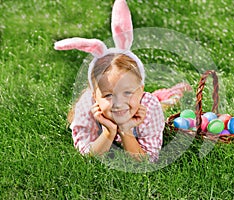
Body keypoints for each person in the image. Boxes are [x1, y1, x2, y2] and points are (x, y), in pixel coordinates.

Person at [54, 0, 165, 162]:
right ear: (95, 96)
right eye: (108, 95)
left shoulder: (149, 107)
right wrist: (108, 131)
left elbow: (147, 159)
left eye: (127, 92)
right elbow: (88, 155)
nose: (119, 103)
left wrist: (126, 131)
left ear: (141, 90)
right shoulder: (87, 108)